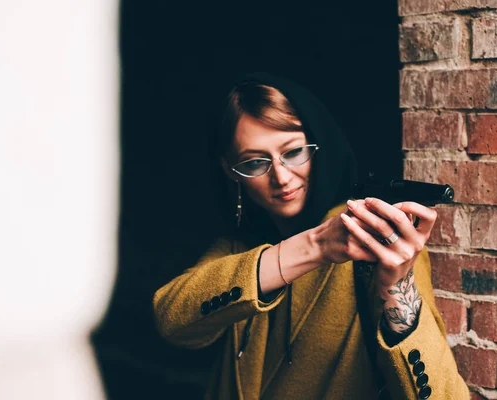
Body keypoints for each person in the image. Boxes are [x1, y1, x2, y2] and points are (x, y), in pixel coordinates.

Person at [153, 73, 469, 399]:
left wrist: (397, 289)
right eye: (255, 163)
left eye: (293, 153)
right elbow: (171, 320)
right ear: (229, 171)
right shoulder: (238, 245)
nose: (281, 176)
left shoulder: (369, 235)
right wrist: (313, 246)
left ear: (318, 145)